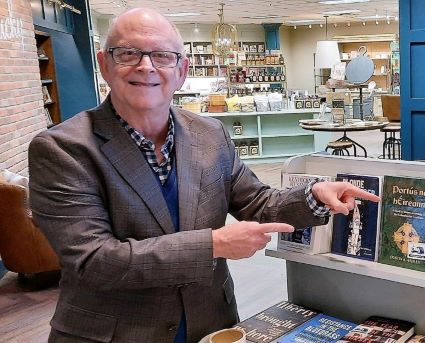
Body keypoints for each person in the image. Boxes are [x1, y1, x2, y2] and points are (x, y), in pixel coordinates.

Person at [28, 8, 379, 343]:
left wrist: (313, 197)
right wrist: (214, 245)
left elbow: (256, 202)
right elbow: (94, 261)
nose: (146, 66)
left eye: (162, 56)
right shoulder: (63, 150)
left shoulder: (210, 134)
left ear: (182, 70)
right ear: (105, 64)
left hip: (208, 325)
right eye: (128, 53)